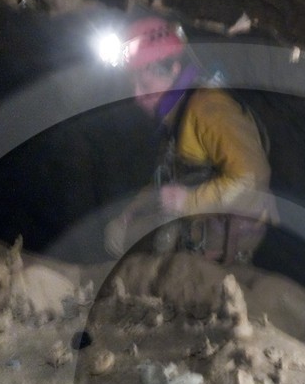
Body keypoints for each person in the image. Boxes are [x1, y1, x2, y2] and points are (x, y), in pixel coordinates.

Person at [104, 16, 274, 265]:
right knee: (118, 232)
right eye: (133, 85)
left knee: (135, 241)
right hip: (199, 220)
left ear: (174, 69)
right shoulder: (176, 113)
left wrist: (189, 202)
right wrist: (133, 210)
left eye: (145, 84)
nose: (137, 96)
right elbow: (168, 176)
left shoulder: (208, 108)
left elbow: (254, 177)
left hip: (223, 230)